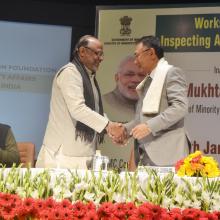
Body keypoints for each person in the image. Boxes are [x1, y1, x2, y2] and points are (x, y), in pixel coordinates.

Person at [36, 35, 122, 169]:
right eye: (97, 53)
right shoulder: (70, 73)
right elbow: (78, 109)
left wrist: (110, 128)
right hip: (62, 155)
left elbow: (94, 110)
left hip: (83, 153)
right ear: (82, 52)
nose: (101, 58)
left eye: (102, 54)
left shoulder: (89, 77)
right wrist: (108, 125)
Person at [118, 35, 190, 168]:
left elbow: (180, 107)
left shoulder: (171, 73)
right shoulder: (148, 81)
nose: (135, 61)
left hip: (168, 154)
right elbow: (143, 118)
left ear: (151, 53)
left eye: (137, 55)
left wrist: (150, 126)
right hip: (145, 155)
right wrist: (125, 130)